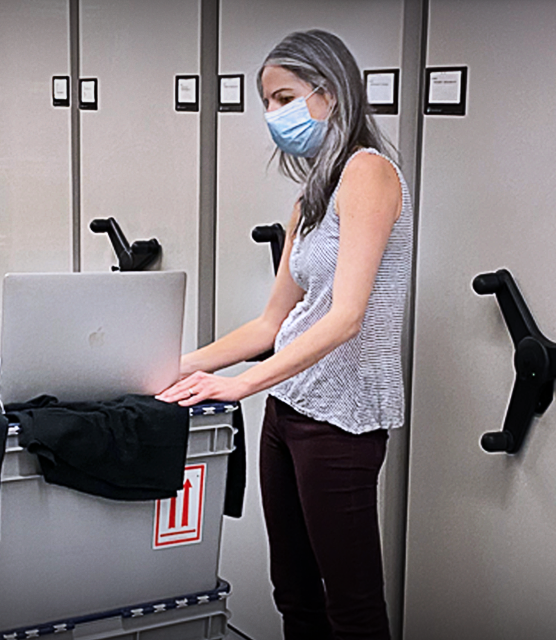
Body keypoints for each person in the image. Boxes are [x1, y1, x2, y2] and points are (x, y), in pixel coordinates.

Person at [157, 29, 411, 640]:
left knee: (352, 608)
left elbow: (346, 316)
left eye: (284, 98)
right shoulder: (311, 197)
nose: (273, 115)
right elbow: (271, 323)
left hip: (342, 421)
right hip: (289, 410)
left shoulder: (370, 173)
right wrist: (170, 365)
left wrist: (239, 385)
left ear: (329, 92)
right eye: (267, 102)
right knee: (293, 593)